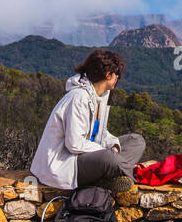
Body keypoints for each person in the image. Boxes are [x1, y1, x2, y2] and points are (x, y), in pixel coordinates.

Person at [30, 49, 146, 193]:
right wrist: (108, 153)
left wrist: (113, 145)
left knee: (136, 141)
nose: (118, 79)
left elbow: (100, 132)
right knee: (109, 158)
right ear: (108, 75)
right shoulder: (79, 98)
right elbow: (74, 144)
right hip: (65, 163)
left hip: (90, 156)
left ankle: (104, 179)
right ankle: (131, 174)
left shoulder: (101, 96)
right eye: (117, 75)